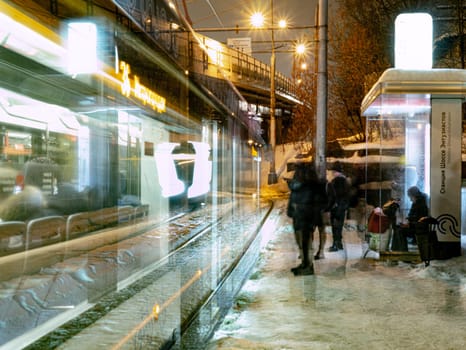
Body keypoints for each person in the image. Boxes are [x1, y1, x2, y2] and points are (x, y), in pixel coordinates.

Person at [287, 162, 328, 276]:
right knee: (305, 242)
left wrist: (298, 208)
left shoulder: (304, 186)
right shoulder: (314, 185)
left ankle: (307, 266)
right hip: (305, 216)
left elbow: (322, 202)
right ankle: (306, 264)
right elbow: (323, 202)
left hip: (305, 216)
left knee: (305, 242)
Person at [327, 161, 350, 252]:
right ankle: (339, 243)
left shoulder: (336, 181)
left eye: (333, 171)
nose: (332, 173)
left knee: (335, 226)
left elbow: (334, 196)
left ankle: (335, 244)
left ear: (337, 172)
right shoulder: (345, 181)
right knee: (339, 226)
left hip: (336, 207)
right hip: (342, 207)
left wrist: (330, 207)